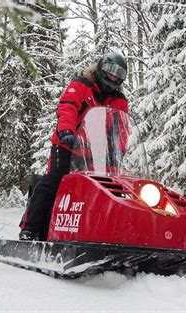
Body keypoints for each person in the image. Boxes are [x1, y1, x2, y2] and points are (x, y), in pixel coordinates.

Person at [19, 52, 129, 241]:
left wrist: (118, 150)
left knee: (112, 188)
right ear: (101, 68)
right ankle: (30, 228)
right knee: (55, 181)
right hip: (67, 144)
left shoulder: (119, 100)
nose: (113, 76)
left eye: (118, 74)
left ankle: (110, 232)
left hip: (95, 152)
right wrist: (66, 130)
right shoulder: (81, 85)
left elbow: (120, 129)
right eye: (110, 71)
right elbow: (68, 106)